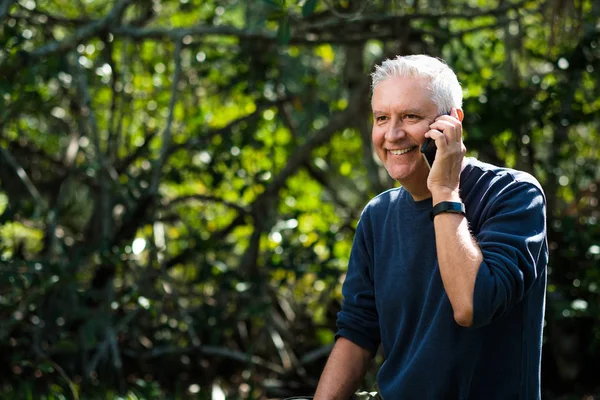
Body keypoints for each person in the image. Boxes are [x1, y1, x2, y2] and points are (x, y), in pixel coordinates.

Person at [313, 55, 548, 399]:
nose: (392, 134)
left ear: (452, 122)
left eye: (410, 116)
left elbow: (471, 306)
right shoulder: (377, 216)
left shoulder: (513, 194)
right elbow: (357, 335)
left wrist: (445, 192)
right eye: (382, 118)